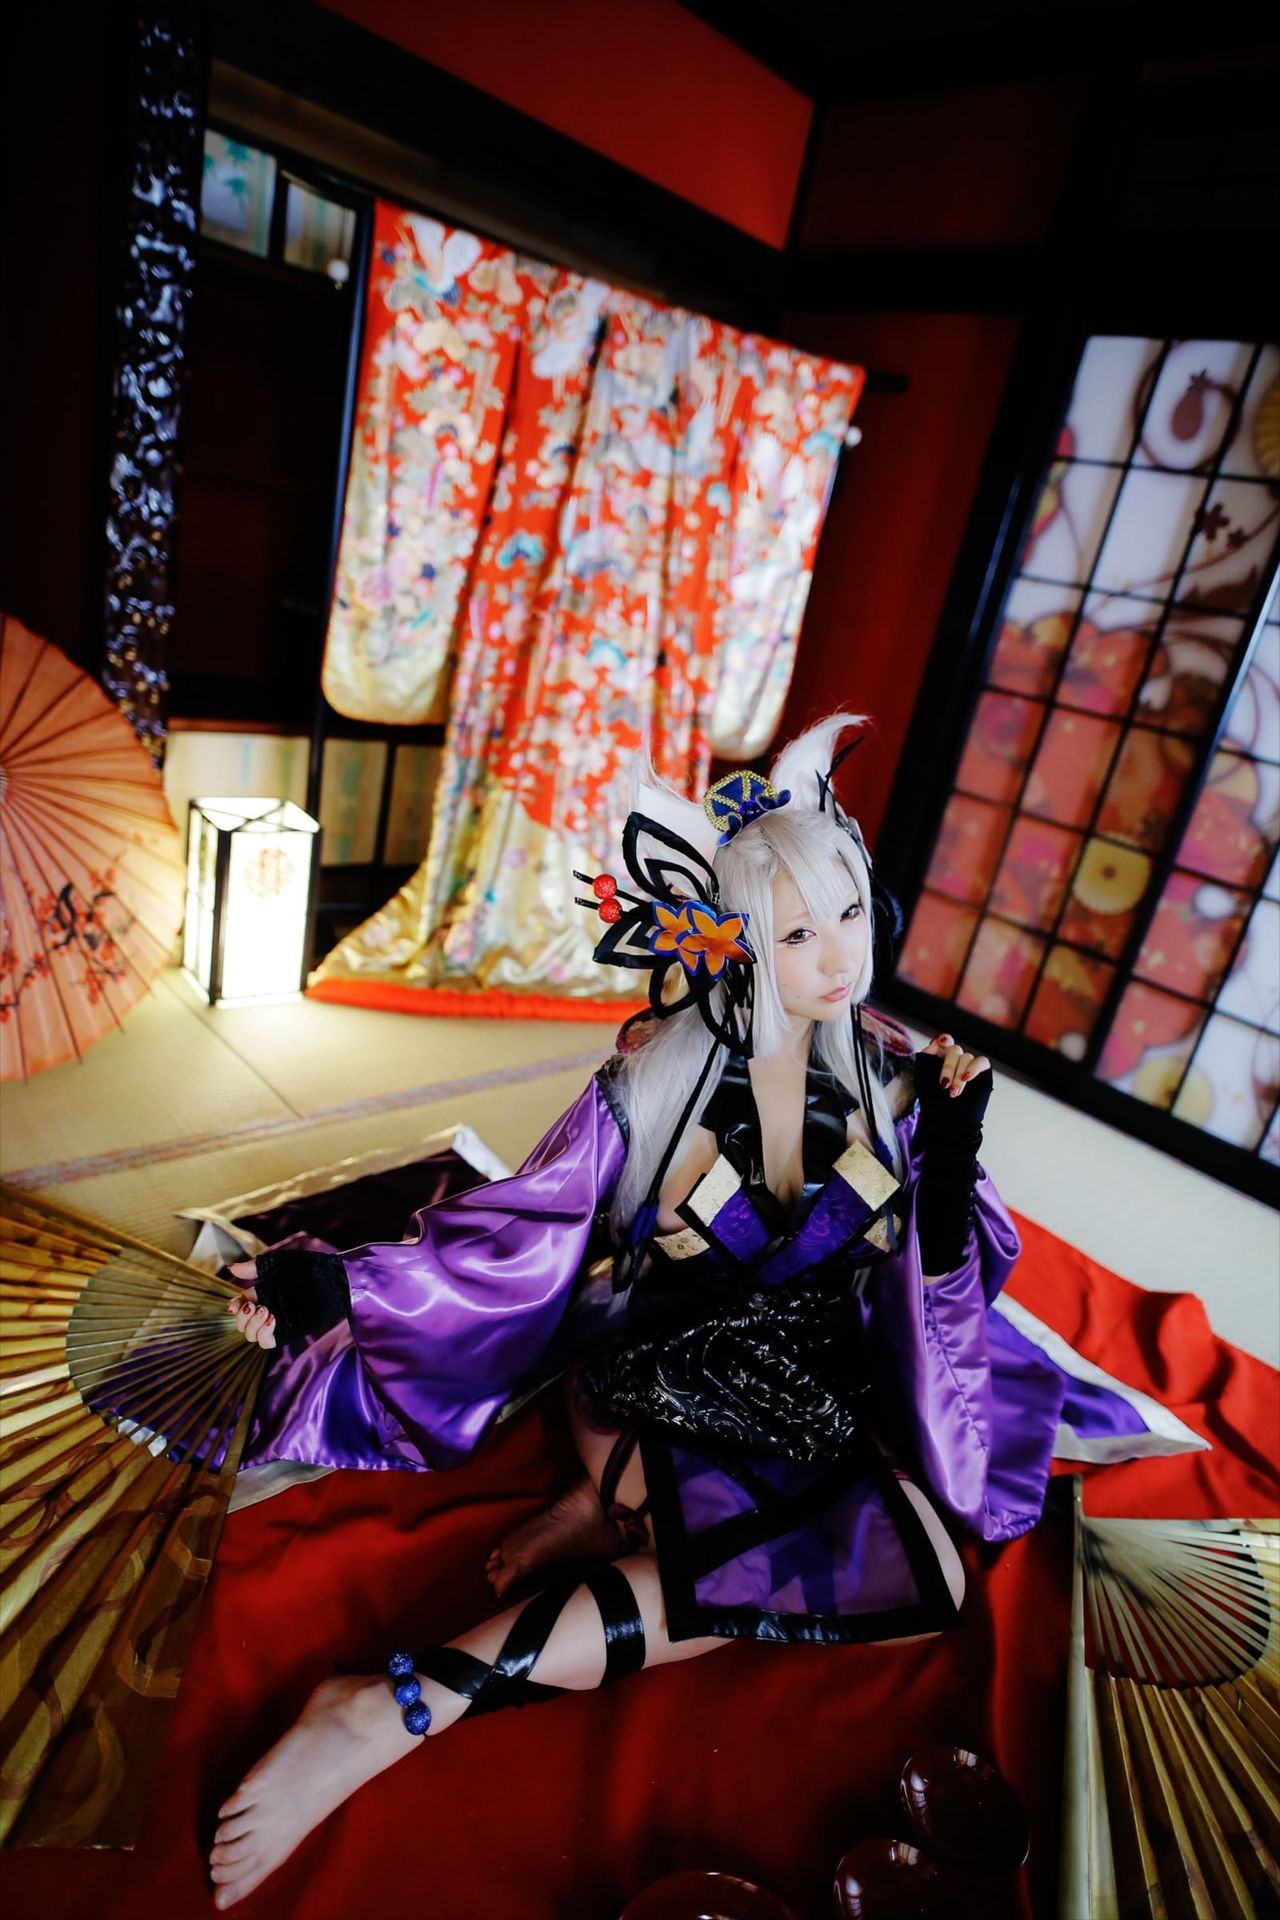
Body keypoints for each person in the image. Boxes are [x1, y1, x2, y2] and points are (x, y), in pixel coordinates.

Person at [206, 713, 1205, 1909]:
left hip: (812, 1403)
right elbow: (507, 1240)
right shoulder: (645, 1086)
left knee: (927, 1585)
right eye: (796, 932)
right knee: (754, 1559)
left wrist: (947, 1160)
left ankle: (602, 1522)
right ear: (732, 942)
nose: (838, 958)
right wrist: (339, 1287)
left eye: (848, 913)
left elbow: (944, 1285)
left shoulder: (890, 1073)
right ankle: (388, 1708)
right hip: (654, 1391)